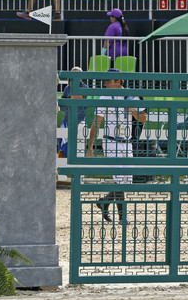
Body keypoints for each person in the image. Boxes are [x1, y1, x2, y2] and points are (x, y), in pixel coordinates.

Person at [87, 68, 147, 222]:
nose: (106, 82)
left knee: (126, 181)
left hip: (126, 141)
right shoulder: (104, 97)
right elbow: (97, 122)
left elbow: (143, 118)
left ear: (119, 81)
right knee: (119, 179)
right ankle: (122, 216)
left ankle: (105, 201)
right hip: (111, 141)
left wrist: (131, 110)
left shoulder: (130, 95)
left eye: (109, 80)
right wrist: (90, 145)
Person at [57, 66, 89, 158]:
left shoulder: (84, 87)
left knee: (78, 147)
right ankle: (61, 169)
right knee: (62, 144)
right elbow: (63, 104)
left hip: (79, 121)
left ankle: (77, 170)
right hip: (66, 120)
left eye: (76, 75)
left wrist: (68, 101)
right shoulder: (67, 88)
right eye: (72, 75)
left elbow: (78, 100)